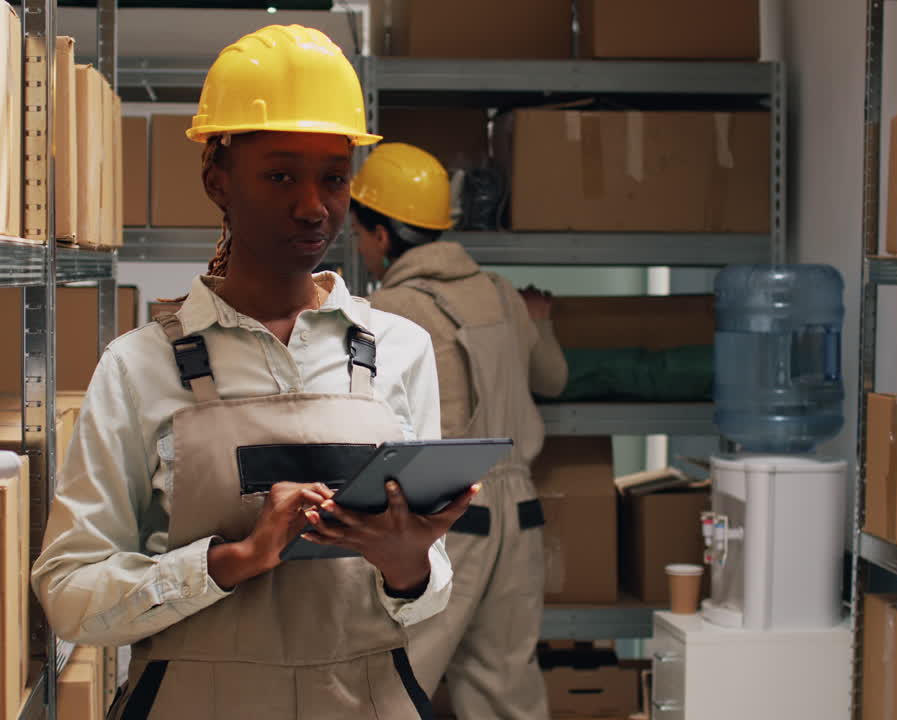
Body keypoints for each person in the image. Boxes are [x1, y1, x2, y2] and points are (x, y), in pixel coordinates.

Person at [31, 26, 477, 719]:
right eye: (280, 175)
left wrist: (408, 565)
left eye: (333, 178)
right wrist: (229, 562)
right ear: (218, 181)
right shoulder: (139, 367)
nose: (313, 205)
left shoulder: (400, 349)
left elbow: (429, 594)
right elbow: (69, 594)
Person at [350, 143, 569, 719]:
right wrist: (539, 326)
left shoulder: (387, 311)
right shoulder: (502, 293)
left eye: (358, 233)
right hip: (521, 514)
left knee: (392, 680)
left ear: (381, 235)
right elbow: (554, 378)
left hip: (444, 513)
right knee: (505, 688)